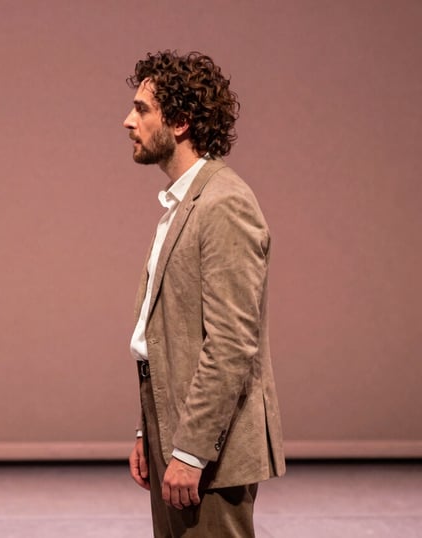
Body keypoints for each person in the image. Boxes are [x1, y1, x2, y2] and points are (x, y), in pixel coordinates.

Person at [123, 50, 286, 537]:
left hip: (209, 451)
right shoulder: (180, 204)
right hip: (171, 428)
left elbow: (232, 343)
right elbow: (165, 334)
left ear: (180, 122)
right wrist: (147, 429)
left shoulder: (223, 203)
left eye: (142, 109)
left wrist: (191, 449)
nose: (128, 121)